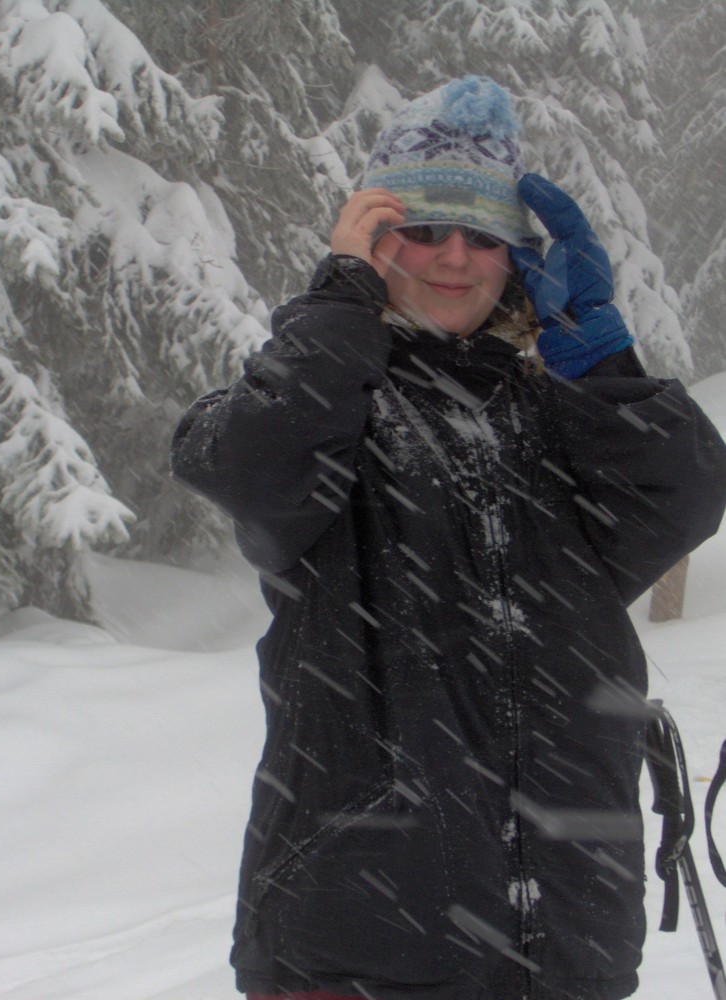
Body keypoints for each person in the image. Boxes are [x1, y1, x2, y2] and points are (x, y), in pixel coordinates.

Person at [171, 76, 726, 1000]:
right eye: (422, 228)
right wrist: (341, 304)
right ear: (371, 238)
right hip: (361, 951)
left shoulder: (556, 417)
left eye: (483, 234)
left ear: (516, 258)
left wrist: (604, 367)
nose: (455, 257)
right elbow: (252, 468)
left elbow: (685, 497)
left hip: (567, 946)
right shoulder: (331, 409)